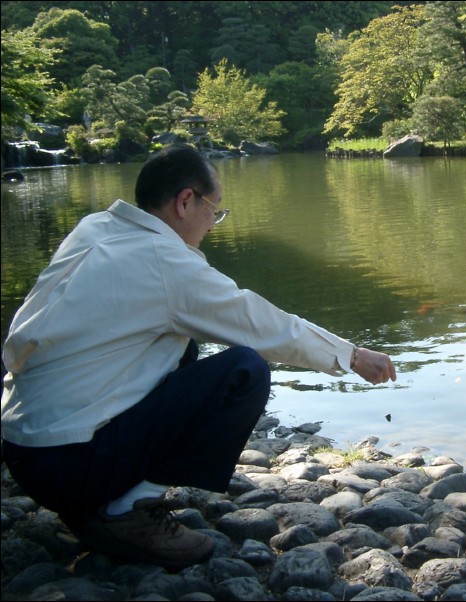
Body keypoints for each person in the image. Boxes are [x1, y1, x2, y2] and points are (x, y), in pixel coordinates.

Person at [1, 143, 396, 570]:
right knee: (245, 370)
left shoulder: (95, 228)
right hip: (67, 464)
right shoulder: (164, 261)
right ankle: (128, 511)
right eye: (215, 208)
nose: (213, 224)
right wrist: (351, 355)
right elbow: (263, 325)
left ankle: (102, 498)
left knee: (183, 343)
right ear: (185, 201)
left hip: (24, 449)